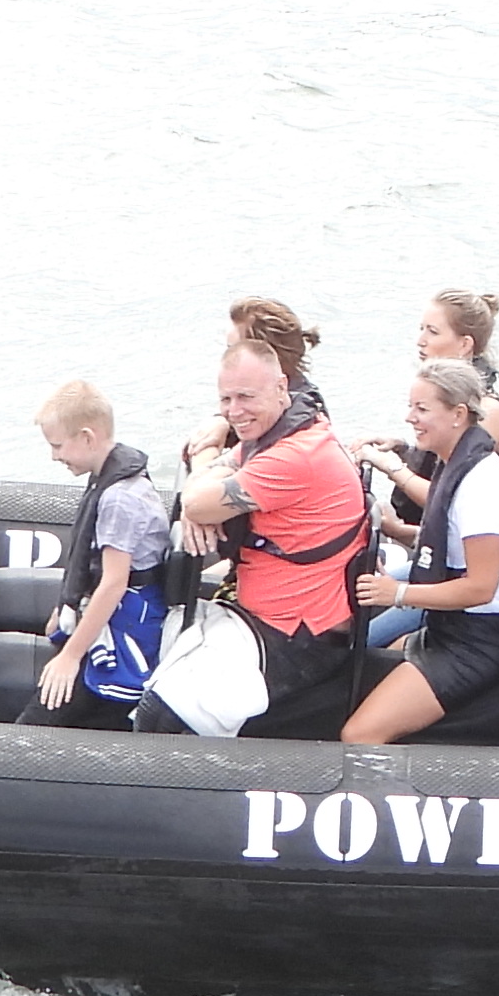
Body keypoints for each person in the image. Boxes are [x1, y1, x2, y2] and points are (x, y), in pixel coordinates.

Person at [166, 304, 368, 738]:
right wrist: (205, 488)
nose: (234, 411)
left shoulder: (294, 455)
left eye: (245, 397)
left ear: (280, 385)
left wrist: (200, 497)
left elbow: (198, 501)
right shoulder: (277, 429)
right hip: (265, 609)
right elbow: (213, 481)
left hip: (297, 635)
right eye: (226, 399)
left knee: (164, 714)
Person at [340, 362, 499, 743]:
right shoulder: (455, 464)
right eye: (410, 407)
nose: (409, 418)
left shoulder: (480, 485)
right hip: (448, 629)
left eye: (422, 409)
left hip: (475, 643)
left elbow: (481, 587)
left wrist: (397, 593)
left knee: (360, 734)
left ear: (458, 414)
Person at [366, 289, 499, 650]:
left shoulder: (484, 418)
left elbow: (450, 496)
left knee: (363, 643)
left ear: (465, 344)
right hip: (437, 554)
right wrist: (402, 448)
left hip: (465, 593)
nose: (421, 340)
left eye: (432, 332)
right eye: (421, 329)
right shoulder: (447, 409)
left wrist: (393, 469)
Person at [28, 381, 168, 725]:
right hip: (120, 606)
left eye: (57, 445)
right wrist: (65, 605)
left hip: (130, 623)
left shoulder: (120, 499)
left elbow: (114, 583)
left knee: (37, 722)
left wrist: (71, 656)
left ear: (87, 437)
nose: (54, 456)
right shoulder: (110, 480)